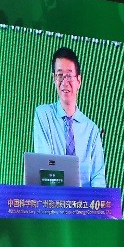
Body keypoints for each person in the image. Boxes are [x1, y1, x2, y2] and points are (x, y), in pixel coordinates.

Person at [32, 47, 106, 187]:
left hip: (84, 200)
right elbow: (44, 164)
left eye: (69, 76)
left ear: (79, 81)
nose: (64, 82)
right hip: (53, 197)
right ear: (54, 79)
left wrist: (96, 199)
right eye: (60, 75)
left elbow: (98, 177)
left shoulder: (91, 129)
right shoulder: (43, 115)